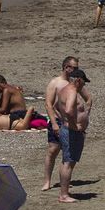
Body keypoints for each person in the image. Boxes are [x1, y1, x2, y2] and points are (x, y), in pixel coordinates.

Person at [55, 67, 93, 203]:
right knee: (68, 163)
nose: (84, 85)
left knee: (66, 161)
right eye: (83, 82)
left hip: (68, 130)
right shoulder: (71, 92)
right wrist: (74, 125)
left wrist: (64, 120)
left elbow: (55, 106)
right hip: (71, 132)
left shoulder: (63, 90)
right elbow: (69, 110)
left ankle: (64, 192)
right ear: (78, 80)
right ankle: (64, 195)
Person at [42, 56, 80, 192]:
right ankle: (47, 181)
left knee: (67, 153)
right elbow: (48, 104)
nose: (76, 70)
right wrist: (54, 123)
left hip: (68, 123)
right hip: (57, 121)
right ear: (66, 67)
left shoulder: (73, 83)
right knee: (52, 150)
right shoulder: (55, 82)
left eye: (77, 68)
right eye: (73, 68)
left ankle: (63, 181)